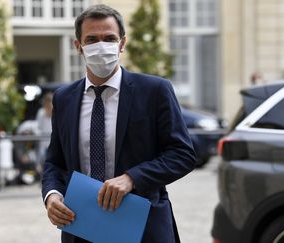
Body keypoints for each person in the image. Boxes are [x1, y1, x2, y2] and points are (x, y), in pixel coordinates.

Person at [41, 4, 196, 243]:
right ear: (78, 46)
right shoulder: (64, 98)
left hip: (143, 225)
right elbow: (55, 161)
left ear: (122, 43)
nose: (101, 46)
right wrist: (52, 195)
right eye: (91, 39)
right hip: (81, 225)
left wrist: (132, 178)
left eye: (109, 38)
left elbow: (182, 153)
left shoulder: (154, 91)